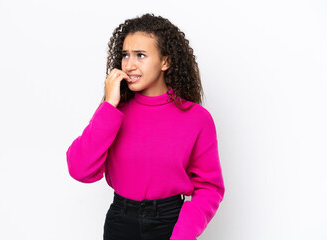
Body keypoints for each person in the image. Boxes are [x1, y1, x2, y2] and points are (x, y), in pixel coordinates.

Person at [66, 13, 225, 240]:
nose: (129, 65)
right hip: (119, 221)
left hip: (170, 223)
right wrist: (109, 105)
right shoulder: (113, 112)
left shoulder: (197, 118)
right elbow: (80, 170)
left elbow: (210, 188)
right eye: (125, 55)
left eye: (140, 55)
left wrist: (182, 234)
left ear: (165, 61)